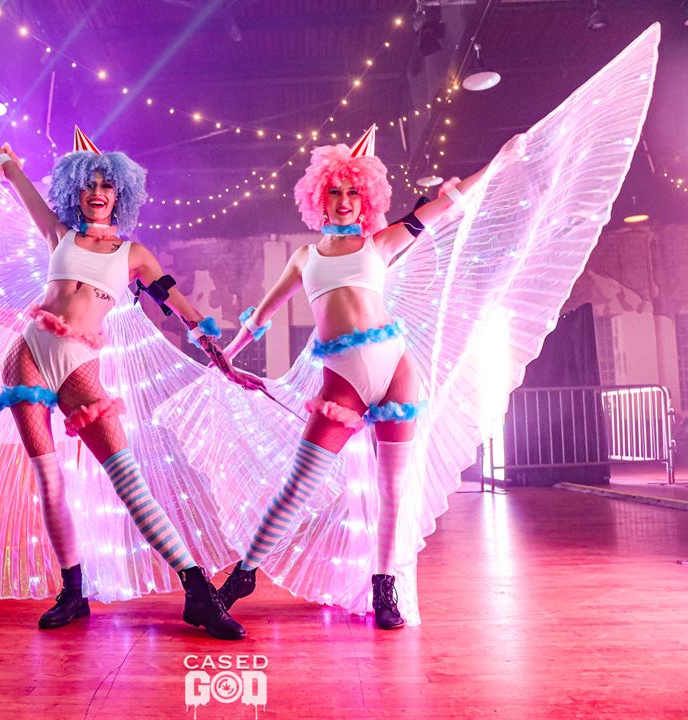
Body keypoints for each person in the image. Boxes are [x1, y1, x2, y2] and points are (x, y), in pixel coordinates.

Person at [0, 109, 260, 640]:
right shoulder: (58, 233)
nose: (97, 192)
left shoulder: (133, 254)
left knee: (129, 480)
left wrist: (216, 351)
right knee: (48, 479)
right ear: (76, 190)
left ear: (119, 194)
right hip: (28, 355)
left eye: (106, 185)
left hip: (79, 365)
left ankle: (197, 589)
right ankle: (73, 593)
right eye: (88, 184)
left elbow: (176, 303)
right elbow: (11, 170)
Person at [208, 125, 486, 628]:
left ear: (366, 199)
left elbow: (445, 205)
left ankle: (384, 587)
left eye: (352, 192)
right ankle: (243, 576)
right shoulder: (305, 258)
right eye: (334, 192)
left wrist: (499, 160)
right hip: (343, 382)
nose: (343, 201)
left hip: (396, 369)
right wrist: (226, 356)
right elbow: (262, 315)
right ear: (319, 198)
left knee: (392, 489)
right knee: (298, 486)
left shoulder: (380, 243)